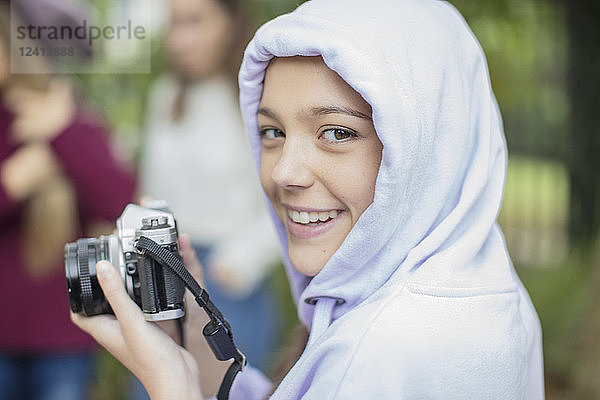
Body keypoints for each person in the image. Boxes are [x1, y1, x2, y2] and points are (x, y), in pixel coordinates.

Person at [73, 0, 545, 399]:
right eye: (272, 131)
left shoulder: (387, 350)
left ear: (433, 145)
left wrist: (173, 389)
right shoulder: (478, 296)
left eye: (337, 132)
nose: (283, 172)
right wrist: (194, 336)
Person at [0, 3, 136, 400]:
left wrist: (63, 132)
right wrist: (17, 179)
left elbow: (119, 202)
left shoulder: (72, 118)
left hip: (64, 333)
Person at [138, 0, 281, 373]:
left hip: (230, 282)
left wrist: (241, 260)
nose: (179, 39)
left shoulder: (261, 99)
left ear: (232, 21)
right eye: (174, 24)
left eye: (195, 22)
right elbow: (151, 189)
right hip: (166, 270)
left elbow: (285, 194)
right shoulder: (166, 96)